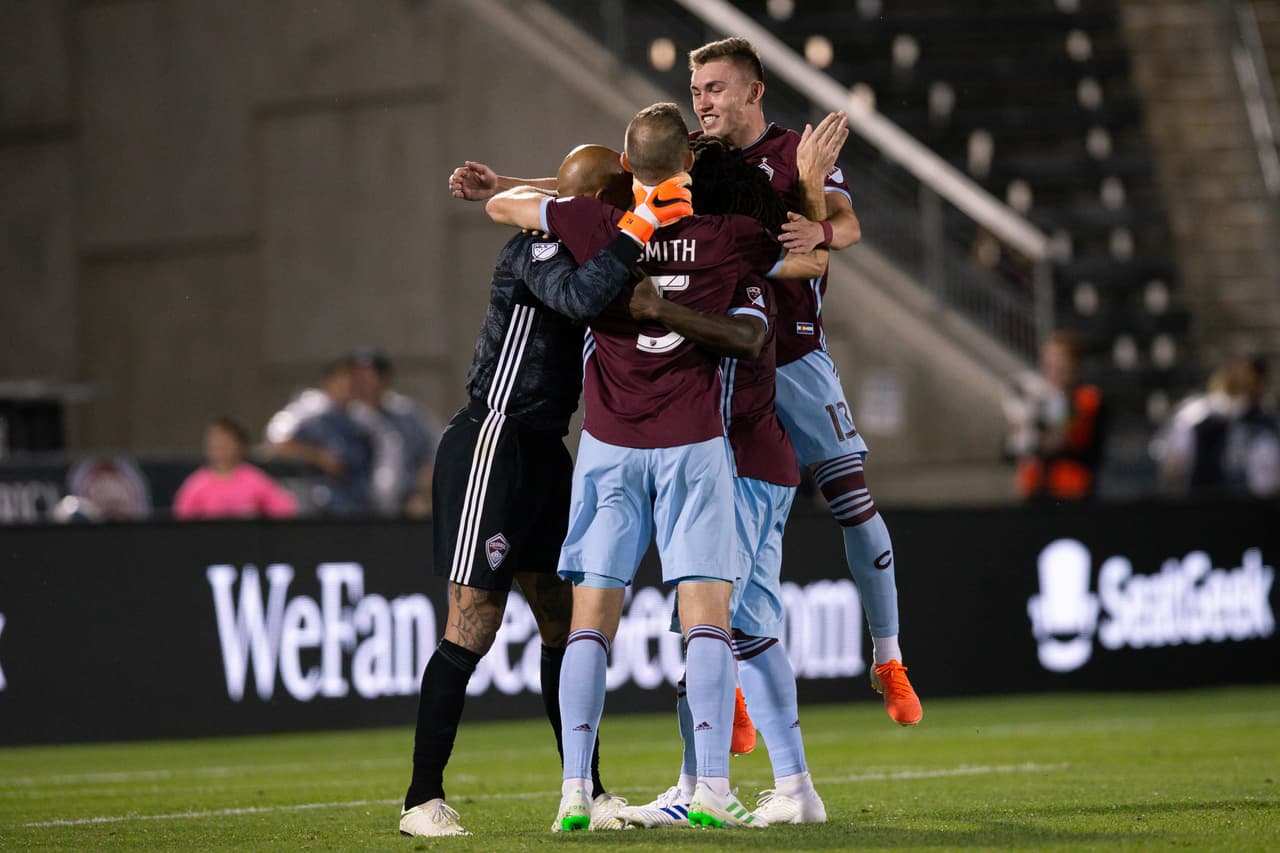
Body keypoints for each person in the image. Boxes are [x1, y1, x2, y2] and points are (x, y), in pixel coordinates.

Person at [450, 37, 923, 726]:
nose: (703, 101)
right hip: (715, 358)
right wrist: (506, 186)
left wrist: (815, 189)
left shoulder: (795, 154)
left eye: (717, 88)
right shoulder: (691, 156)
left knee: (851, 497)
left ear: (755, 91)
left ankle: (889, 657)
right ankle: (721, 692)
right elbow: (610, 185)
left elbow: (836, 237)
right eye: (697, 90)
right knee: (707, 533)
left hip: (791, 352)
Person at [485, 102, 828, 831]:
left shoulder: (591, 225)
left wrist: (590, 200)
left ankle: (576, 790)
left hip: (608, 446)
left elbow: (502, 205)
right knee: (706, 621)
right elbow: (806, 254)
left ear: (624, 167)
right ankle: (710, 785)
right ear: (688, 165)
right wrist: (814, 188)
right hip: (692, 444)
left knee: (589, 624)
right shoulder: (729, 236)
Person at [399, 143, 659, 838]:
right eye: (618, 202)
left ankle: (590, 789)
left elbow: (595, 192)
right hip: (495, 437)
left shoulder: (578, 226)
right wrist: (636, 232)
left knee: (563, 619)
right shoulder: (539, 246)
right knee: (474, 619)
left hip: (544, 448)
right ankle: (420, 798)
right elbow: (578, 294)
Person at [617, 126, 843, 830]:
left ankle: (703, 783)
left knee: (708, 620)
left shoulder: (724, 254)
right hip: (760, 454)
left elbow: (803, 267)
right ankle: (792, 786)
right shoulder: (744, 253)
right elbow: (806, 261)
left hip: (739, 457)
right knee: (747, 626)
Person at [1154, 354, 1279, 498]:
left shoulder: (1268, 423)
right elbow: (1172, 468)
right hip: (1207, 506)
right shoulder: (1195, 414)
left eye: (1248, 377)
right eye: (1235, 375)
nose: (1241, 380)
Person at [1003, 331, 1105, 501]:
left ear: (1075, 366)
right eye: (1048, 364)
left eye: (1060, 365)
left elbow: (1061, 439)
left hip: (1070, 491)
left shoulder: (1086, 399)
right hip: (1034, 490)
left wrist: (1030, 432)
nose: (1052, 371)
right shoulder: (1039, 398)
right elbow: (1011, 451)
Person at [265, 358, 374, 514]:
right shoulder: (306, 410)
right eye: (342, 382)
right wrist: (317, 456)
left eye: (353, 383)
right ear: (328, 382)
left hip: (356, 502)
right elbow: (276, 445)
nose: (348, 388)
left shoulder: (362, 417)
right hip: (317, 503)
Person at [348, 347, 443, 516]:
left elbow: (433, 451)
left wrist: (424, 492)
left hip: (404, 506)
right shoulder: (343, 416)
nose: (364, 382)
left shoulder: (406, 414)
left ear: (384, 377)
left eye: (371, 375)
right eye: (358, 376)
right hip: (356, 507)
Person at [173, 417, 297, 519]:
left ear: (240, 445)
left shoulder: (255, 479)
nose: (219, 446)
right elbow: (182, 516)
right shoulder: (197, 483)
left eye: (225, 442)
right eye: (215, 442)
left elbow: (285, 509)